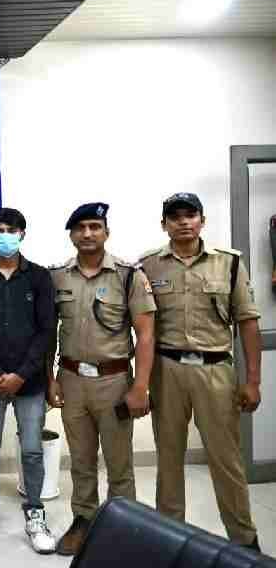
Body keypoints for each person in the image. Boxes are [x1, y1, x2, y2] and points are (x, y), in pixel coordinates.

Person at [140, 192, 263, 552]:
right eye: (175, 216)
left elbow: (248, 322)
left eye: (190, 215)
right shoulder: (148, 266)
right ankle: (168, 538)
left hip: (215, 371)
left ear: (202, 221)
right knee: (169, 460)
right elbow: (143, 327)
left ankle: (245, 542)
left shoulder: (229, 263)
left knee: (227, 461)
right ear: (164, 224)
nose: (183, 222)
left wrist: (253, 381)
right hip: (167, 371)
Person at [46, 202, 156, 556]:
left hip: (114, 381)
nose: (88, 233)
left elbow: (146, 334)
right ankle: (84, 521)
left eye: (95, 226)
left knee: (119, 463)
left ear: (106, 232)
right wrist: (51, 378)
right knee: (81, 460)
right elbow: (48, 333)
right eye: (80, 228)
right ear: (71, 235)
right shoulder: (57, 277)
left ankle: (125, 529)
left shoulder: (128, 275)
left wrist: (141, 386)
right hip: (72, 379)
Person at [0, 207, 57, 554]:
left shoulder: (39, 277)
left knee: (32, 450)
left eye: (11, 230)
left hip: (29, 382)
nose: (4, 236)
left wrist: (21, 374)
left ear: (22, 235)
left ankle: (35, 513)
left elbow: (47, 330)